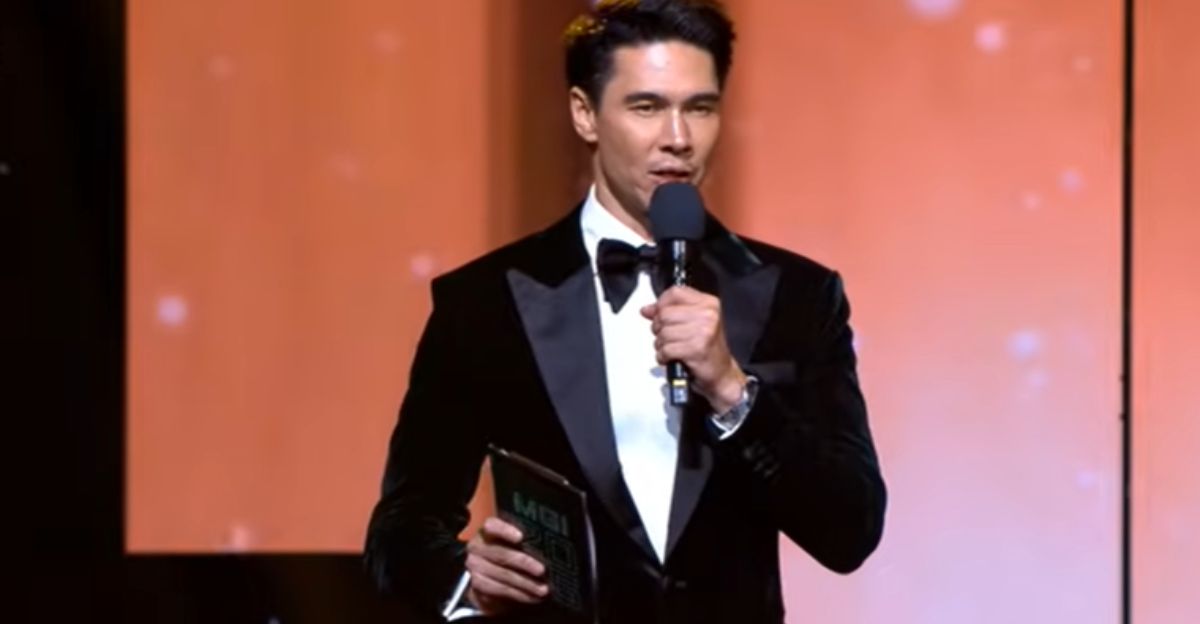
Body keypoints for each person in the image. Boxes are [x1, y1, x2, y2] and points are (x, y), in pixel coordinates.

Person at [364, 1, 886, 622]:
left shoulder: (796, 295)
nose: (678, 138)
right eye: (646, 107)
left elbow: (850, 530)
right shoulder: (486, 301)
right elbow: (401, 528)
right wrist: (466, 578)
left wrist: (732, 391)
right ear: (584, 113)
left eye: (700, 107)